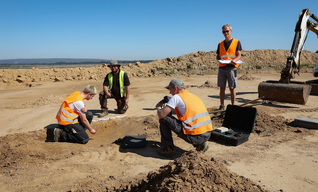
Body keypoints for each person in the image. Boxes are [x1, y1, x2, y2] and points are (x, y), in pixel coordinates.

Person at [155, 78, 213, 157]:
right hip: (207, 135)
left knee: (164, 119)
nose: (170, 92)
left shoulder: (176, 97)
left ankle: (169, 149)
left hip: (195, 137)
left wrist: (158, 107)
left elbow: (161, 115)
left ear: (175, 88)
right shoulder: (193, 96)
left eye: (170, 89)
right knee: (191, 124)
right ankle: (200, 145)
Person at [216, 24, 242, 110]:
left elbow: (239, 55)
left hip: (232, 67)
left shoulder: (236, 42)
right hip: (222, 67)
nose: (225, 33)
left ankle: (233, 106)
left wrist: (235, 60)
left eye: (227, 31)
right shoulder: (220, 44)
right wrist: (218, 58)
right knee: (222, 88)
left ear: (231, 31)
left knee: (232, 88)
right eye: (224, 31)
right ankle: (222, 105)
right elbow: (218, 56)